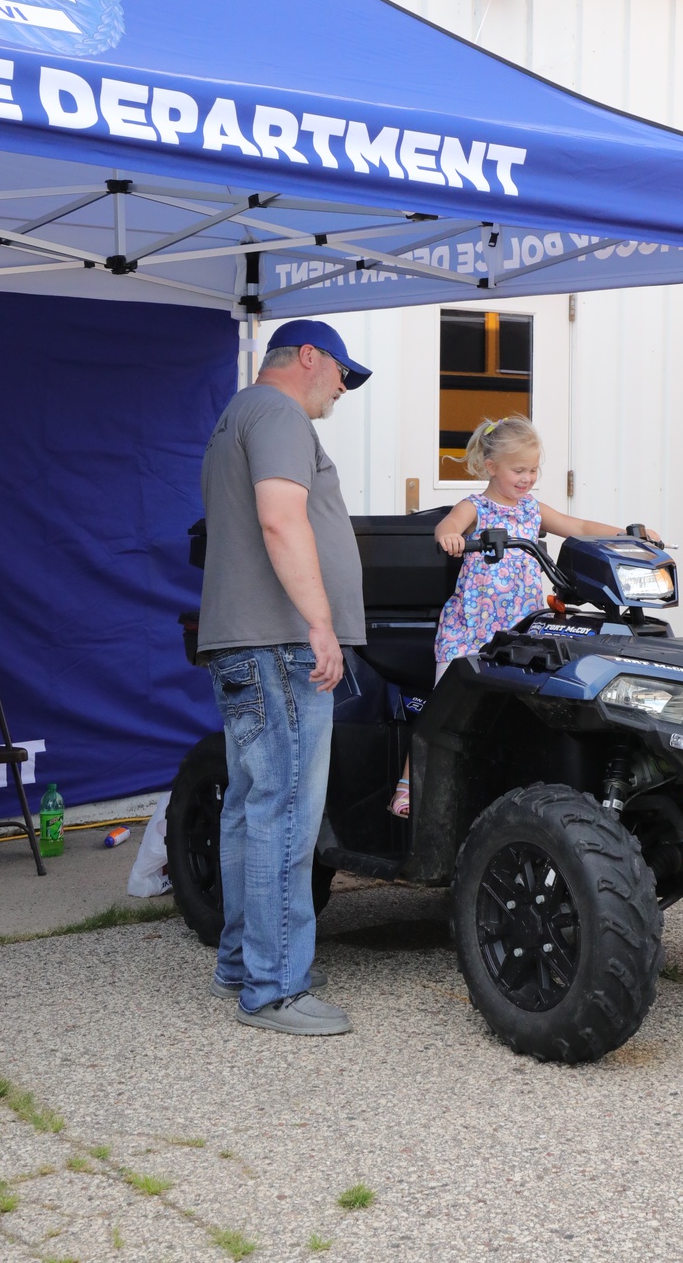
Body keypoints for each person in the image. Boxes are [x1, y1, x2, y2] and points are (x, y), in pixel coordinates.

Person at [198, 318, 370, 1037]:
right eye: (340, 374)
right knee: (286, 810)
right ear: (308, 358)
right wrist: (320, 623)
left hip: (248, 644)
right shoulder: (276, 413)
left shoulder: (239, 413)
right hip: (279, 645)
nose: (341, 389)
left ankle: (245, 959)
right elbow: (280, 519)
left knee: (249, 805)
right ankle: (274, 987)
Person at [388, 414, 658, 817]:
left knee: (517, 709)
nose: (527, 478)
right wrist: (450, 536)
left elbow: (578, 525)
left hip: (520, 629)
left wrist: (626, 534)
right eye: (519, 469)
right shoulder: (475, 507)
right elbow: (449, 523)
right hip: (472, 627)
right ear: (491, 466)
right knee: (441, 707)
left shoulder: (532, 509)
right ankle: (408, 784)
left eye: (534, 470)